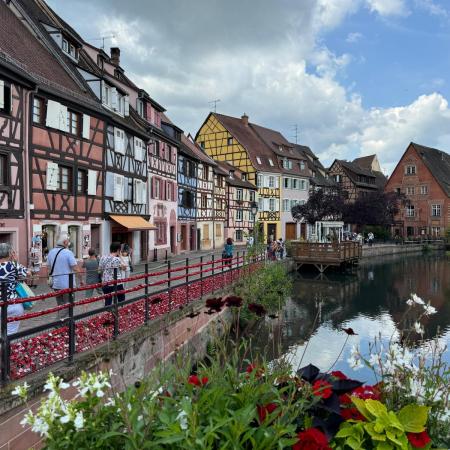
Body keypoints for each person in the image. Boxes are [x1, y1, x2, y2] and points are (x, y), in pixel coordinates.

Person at [47, 235, 80, 319]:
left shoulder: (51, 252)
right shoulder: (68, 252)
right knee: (69, 305)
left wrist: (49, 280)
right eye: (68, 241)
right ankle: (57, 322)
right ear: (65, 242)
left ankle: (66, 324)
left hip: (56, 284)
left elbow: (48, 269)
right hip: (67, 284)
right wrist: (81, 279)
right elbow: (75, 268)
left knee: (61, 306)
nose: (69, 243)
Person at [0, 243, 29, 335]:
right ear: (10, 253)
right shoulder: (13, 265)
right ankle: (7, 344)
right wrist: (16, 261)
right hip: (12, 303)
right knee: (11, 333)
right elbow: (28, 273)